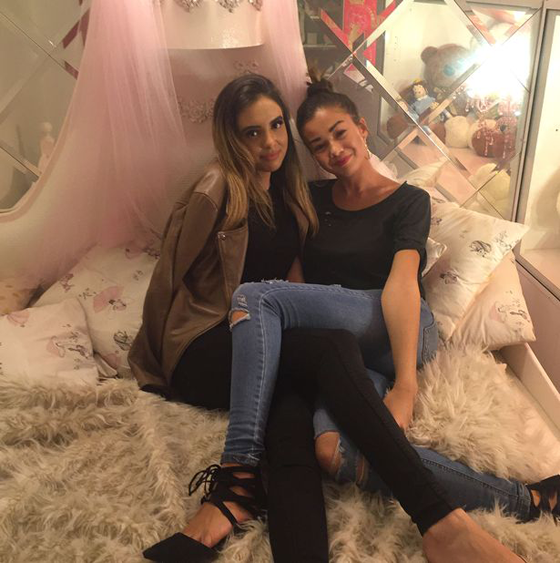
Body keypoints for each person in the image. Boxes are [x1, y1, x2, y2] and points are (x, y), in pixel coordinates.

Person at [145, 76, 559, 563]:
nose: (333, 150)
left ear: (362, 128)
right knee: (331, 450)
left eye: (339, 133)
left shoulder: (408, 200)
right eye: (318, 145)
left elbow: (401, 286)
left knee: (255, 298)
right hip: (341, 343)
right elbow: (296, 280)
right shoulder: (309, 197)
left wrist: (405, 384)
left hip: (397, 322)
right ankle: (528, 500)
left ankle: (237, 473)